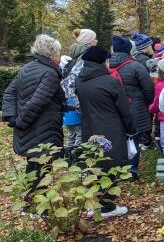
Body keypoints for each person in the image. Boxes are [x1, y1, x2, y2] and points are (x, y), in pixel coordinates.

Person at [76, 46, 134, 218]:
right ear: (102, 62)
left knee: (94, 165)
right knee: (111, 165)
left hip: (89, 128)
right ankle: (108, 206)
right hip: (111, 129)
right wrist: (131, 129)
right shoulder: (110, 82)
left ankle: (93, 204)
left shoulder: (80, 81)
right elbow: (124, 109)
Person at [2, 35, 65, 185]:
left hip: (32, 128)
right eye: (58, 52)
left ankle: (31, 204)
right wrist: (19, 121)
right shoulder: (49, 73)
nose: (60, 56)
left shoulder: (27, 67)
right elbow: (38, 102)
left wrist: (11, 116)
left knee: (34, 166)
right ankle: (37, 206)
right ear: (52, 53)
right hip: (41, 129)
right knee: (40, 169)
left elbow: (9, 92)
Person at [110, 35, 155, 179]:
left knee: (118, 138)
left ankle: (118, 169)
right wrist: (146, 103)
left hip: (114, 108)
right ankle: (132, 171)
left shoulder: (106, 65)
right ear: (129, 50)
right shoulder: (136, 66)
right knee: (134, 138)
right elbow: (148, 88)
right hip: (134, 108)